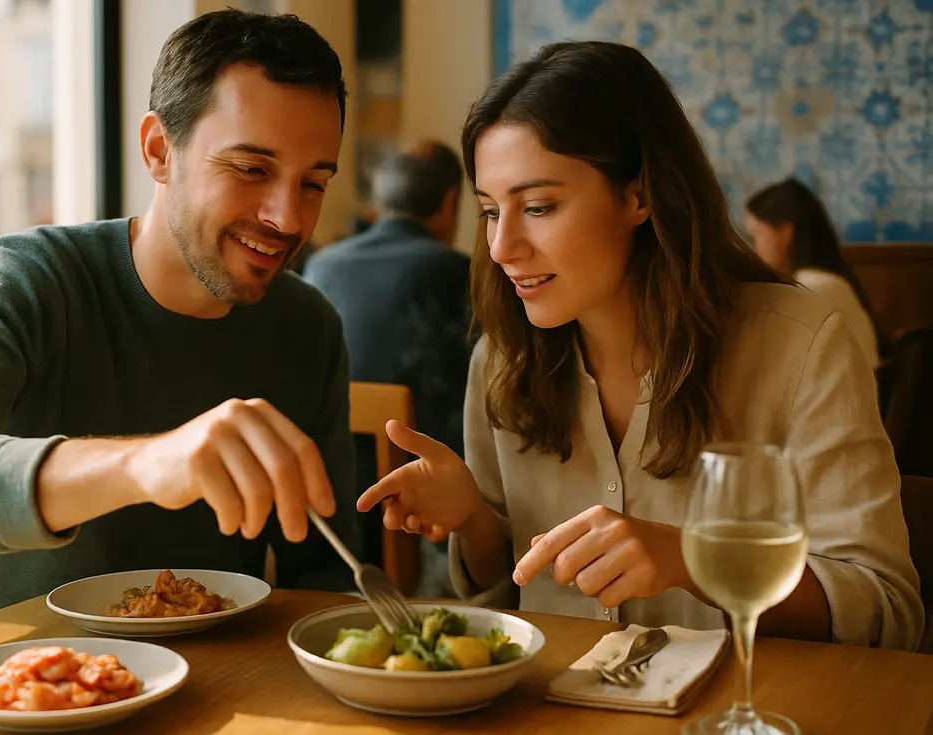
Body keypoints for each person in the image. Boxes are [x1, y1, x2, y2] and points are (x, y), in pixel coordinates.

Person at [357, 40, 923, 650]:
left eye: (540, 207)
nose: (502, 247)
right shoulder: (500, 361)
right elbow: (511, 601)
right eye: (492, 211)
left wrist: (698, 559)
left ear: (639, 195)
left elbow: (886, 614)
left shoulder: (802, 345)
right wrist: (473, 518)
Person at [0, 9, 366, 640]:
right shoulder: (27, 277)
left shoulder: (307, 327)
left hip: (194, 690)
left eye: (313, 183)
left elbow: (322, 577)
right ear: (159, 151)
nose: (288, 218)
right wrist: (145, 464)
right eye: (251, 169)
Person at [303, 140, 472, 588]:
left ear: (379, 203)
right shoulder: (460, 274)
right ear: (451, 202)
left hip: (333, 519)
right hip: (428, 523)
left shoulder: (321, 266)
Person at [745, 178, 880, 369]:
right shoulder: (827, 281)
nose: (752, 250)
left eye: (755, 237)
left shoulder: (814, 288)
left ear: (786, 233)